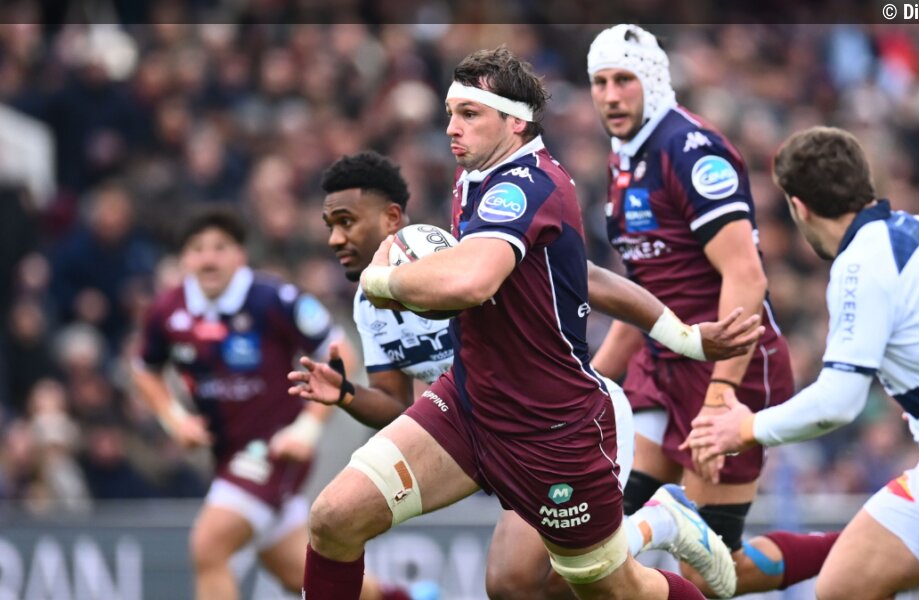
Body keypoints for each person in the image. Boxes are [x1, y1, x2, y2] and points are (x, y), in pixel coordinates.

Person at [302, 46, 747, 600]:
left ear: (515, 122)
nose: (451, 128)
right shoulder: (474, 179)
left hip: (551, 430)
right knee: (334, 518)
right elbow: (582, 275)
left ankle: (659, 523)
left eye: (469, 114)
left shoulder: (525, 186)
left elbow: (472, 283)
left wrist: (381, 281)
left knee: (595, 588)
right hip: (468, 406)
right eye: (450, 113)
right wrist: (684, 335)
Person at [684, 125, 919, 600]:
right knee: (841, 588)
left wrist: (745, 429)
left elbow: (839, 402)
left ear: (799, 207)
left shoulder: (859, 266)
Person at [586, 24, 838, 597]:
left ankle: (862, 545)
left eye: (624, 80)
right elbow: (643, 294)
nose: (610, 95)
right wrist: (590, 384)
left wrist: (721, 393)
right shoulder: (622, 159)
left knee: (713, 573)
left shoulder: (690, 149)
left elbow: (746, 276)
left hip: (727, 369)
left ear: (653, 81)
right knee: (601, 543)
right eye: (600, 83)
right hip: (660, 369)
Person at [132, 208, 349, 600]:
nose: (208, 259)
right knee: (300, 576)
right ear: (184, 258)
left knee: (209, 545)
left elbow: (340, 353)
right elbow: (144, 370)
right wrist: (174, 419)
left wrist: (308, 427)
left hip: (275, 449)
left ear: (240, 255)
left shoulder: (273, 299)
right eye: (197, 249)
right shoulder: (168, 310)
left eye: (220, 248)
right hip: (227, 457)